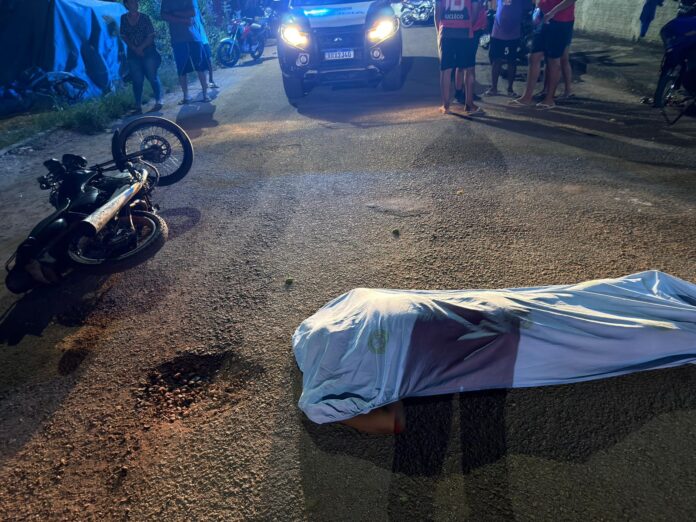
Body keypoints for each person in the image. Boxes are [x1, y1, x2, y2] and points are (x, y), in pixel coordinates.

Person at [510, 0, 577, 110]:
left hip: (561, 21)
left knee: (553, 60)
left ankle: (549, 99)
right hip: (544, 18)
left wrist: (553, 12)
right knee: (533, 56)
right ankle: (527, 97)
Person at [435, 0, 487, 115]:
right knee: (469, 68)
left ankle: (445, 105)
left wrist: (439, 33)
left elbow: (437, 12)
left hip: (446, 31)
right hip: (464, 32)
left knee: (446, 69)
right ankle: (469, 104)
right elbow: (475, 10)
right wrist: (468, 26)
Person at [160, 0, 209, 104]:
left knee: (199, 66)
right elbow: (163, 15)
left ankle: (205, 93)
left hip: (193, 37)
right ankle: (186, 96)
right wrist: (183, 19)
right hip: (178, 39)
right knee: (182, 69)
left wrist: (174, 13)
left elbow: (192, 12)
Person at [120, 0, 163, 114]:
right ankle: (138, 106)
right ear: (127, 4)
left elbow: (151, 35)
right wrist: (134, 48)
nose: (136, 3)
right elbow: (123, 36)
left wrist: (140, 48)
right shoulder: (123, 18)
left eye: (136, 1)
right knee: (137, 80)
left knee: (152, 76)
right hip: (133, 54)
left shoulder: (145, 17)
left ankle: (158, 101)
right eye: (132, 2)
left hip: (148, 52)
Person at [486, 0, 533, 97]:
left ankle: (510, 89)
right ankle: (494, 88)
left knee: (512, 61)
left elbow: (527, 8)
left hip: (514, 32)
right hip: (498, 31)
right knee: (496, 60)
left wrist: (516, 20)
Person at [194, 5, 219, 89]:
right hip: (195, 40)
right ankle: (205, 84)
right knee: (200, 63)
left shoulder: (196, 8)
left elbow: (201, 21)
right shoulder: (188, 10)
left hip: (203, 39)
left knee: (208, 61)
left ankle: (211, 81)